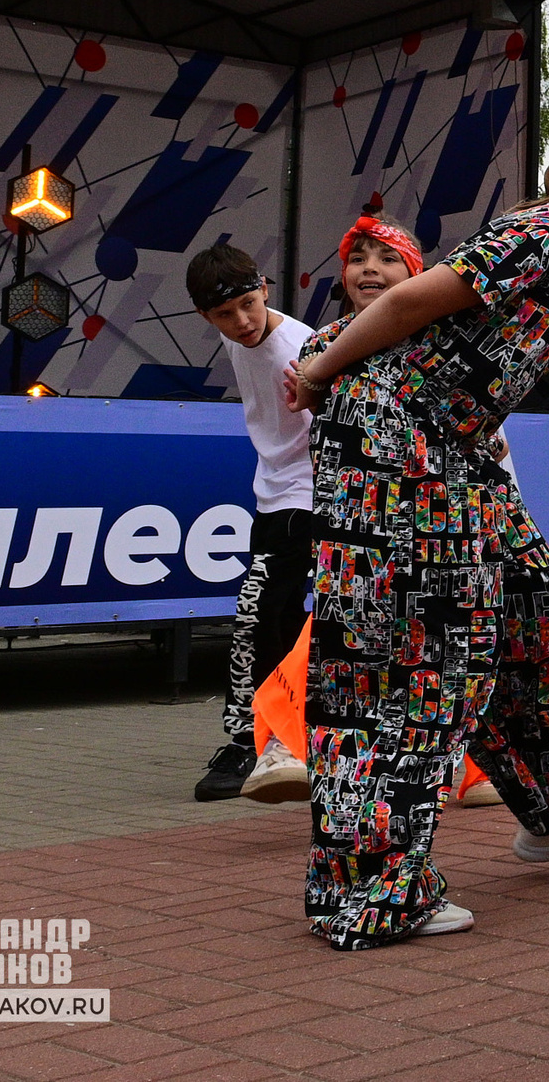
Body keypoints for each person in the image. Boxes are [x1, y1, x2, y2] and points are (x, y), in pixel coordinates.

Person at [284, 91, 549, 948]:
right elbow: (412, 303)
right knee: (418, 653)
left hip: (451, 442)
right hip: (392, 435)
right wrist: (317, 368)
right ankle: (373, 887)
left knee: (539, 601)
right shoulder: (541, 233)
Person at [186, 242, 319, 805]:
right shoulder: (241, 330)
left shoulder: (300, 349)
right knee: (283, 621)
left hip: (308, 498)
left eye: (248, 303)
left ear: (265, 287)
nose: (241, 322)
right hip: (273, 493)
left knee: (256, 614)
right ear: (205, 318)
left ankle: (247, 741)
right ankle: (289, 740)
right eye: (223, 315)